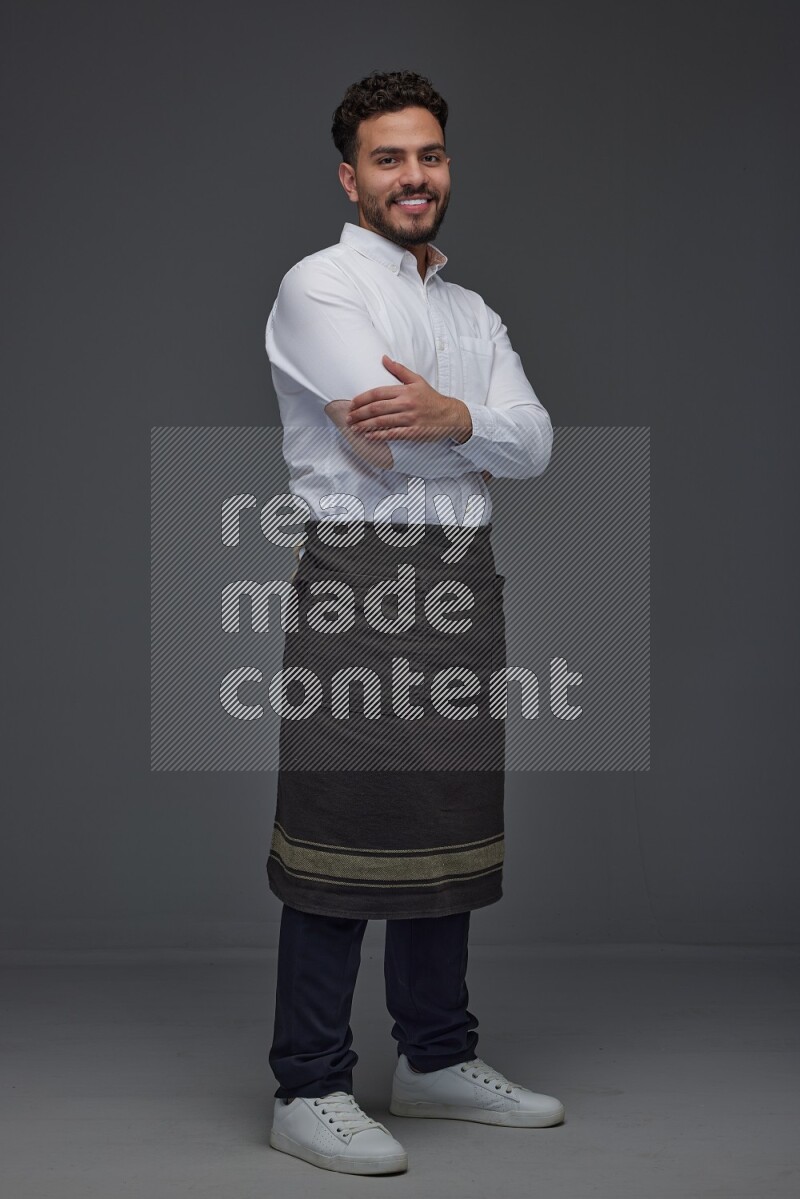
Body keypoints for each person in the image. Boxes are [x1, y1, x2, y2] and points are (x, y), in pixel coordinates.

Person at [264, 69, 563, 1176]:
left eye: (428, 155)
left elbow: (535, 445)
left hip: (461, 576)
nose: (413, 176)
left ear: (446, 166)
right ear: (351, 176)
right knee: (339, 832)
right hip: (359, 574)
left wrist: (457, 416)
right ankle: (309, 1080)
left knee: (445, 818)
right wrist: (473, 419)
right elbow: (380, 441)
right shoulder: (318, 287)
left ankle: (434, 1057)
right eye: (388, 158)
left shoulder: (467, 308)